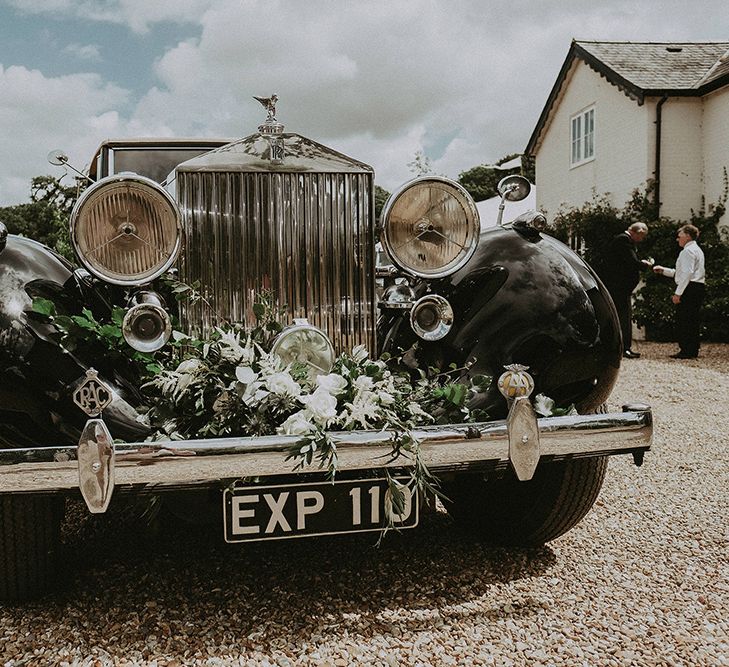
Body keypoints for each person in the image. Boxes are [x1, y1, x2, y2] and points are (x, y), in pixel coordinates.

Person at [601, 222, 653, 359]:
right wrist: (645, 265)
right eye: (642, 236)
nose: (642, 240)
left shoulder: (623, 240)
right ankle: (624, 348)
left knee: (622, 316)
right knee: (623, 317)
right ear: (638, 232)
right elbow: (631, 261)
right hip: (619, 287)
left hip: (619, 287)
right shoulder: (623, 240)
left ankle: (621, 347)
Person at [653, 224, 705, 359]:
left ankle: (686, 349)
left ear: (687, 236)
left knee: (684, 319)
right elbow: (685, 273)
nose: (678, 239)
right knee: (692, 319)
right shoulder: (697, 250)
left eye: (680, 236)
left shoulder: (687, 252)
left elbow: (687, 274)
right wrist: (664, 271)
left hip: (690, 288)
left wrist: (678, 293)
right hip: (697, 286)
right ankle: (692, 348)